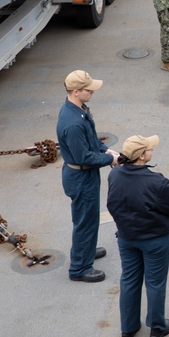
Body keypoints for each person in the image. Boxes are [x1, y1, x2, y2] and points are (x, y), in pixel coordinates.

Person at [107, 134, 169, 337]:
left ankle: (128, 329)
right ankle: (157, 328)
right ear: (141, 156)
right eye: (149, 149)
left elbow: (112, 204)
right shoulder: (156, 181)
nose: (152, 151)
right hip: (154, 240)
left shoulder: (115, 176)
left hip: (126, 238)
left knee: (129, 281)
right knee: (155, 283)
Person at [57, 69, 119, 282]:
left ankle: (86, 250)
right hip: (81, 177)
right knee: (85, 220)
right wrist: (110, 160)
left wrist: (105, 150)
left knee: (89, 218)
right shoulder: (73, 123)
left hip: (85, 175)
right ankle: (79, 268)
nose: (93, 91)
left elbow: (90, 139)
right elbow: (83, 156)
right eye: (88, 89)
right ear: (76, 91)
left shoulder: (79, 109)